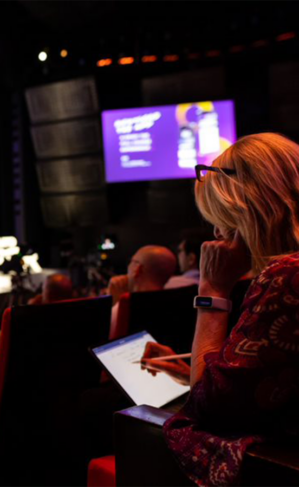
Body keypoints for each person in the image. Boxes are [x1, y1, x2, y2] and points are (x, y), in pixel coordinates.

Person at [141, 133, 299, 487]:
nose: (216, 231)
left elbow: (210, 409)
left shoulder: (286, 276)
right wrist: (191, 371)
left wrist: (211, 290)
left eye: (221, 217)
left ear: (253, 212)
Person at [0, 273, 74, 351]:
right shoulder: (76, 318)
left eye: (43, 290)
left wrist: (29, 310)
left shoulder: (33, 329)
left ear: (48, 294)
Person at [107, 245, 177, 339]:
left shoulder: (125, 305)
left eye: (131, 261)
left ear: (137, 268)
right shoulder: (176, 301)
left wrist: (116, 303)